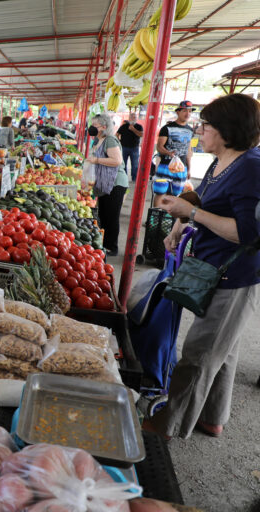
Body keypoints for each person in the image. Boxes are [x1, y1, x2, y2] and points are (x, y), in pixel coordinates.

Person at [143, 93, 260, 440]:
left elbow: (246, 233)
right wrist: (181, 223)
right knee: (224, 348)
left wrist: (191, 214)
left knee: (201, 351)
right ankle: (212, 417)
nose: (199, 131)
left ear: (226, 130)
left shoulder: (252, 168)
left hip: (235, 274)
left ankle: (170, 423)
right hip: (213, 265)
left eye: (205, 126)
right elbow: (204, 197)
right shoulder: (222, 160)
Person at [85, 113, 127, 256]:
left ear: (104, 127)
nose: (91, 128)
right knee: (104, 215)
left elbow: (117, 161)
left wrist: (96, 160)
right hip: (105, 183)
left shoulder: (110, 140)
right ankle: (104, 244)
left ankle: (112, 247)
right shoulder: (99, 140)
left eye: (94, 125)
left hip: (115, 183)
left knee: (111, 216)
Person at [153, 100, 195, 206]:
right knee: (160, 193)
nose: (188, 113)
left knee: (174, 195)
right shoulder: (167, 128)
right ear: (178, 112)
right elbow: (159, 147)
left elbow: (188, 150)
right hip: (165, 166)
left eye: (190, 111)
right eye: (185, 110)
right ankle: (155, 219)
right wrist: (169, 153)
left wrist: (189, 169)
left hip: (181, 169)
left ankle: (167, 219)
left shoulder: (190, 130)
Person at [116, 113, 144, 181]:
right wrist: (119, 142)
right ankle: (124, 178)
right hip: (124, 147)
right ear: (129, 118)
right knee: (123, 164)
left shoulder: (139, 126)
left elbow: (141, 135)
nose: (133, 118)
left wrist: (133, 129)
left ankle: (134, 179)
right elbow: (117, 134)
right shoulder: (124, 126)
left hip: (134, 148)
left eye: (135, 117)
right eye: (132, 117)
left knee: (135, 165)